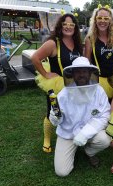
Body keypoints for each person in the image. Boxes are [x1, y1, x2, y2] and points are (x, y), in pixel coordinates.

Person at [49, 57, 111, 177]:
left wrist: (85, 133)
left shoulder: (99, 91)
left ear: (89, 73)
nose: (81, 74)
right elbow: (57, 121)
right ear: (72, 74)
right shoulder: (63, 94)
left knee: (104, 140)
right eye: (78, 71)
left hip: (90, 131)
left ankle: (89, 152)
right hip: (68, 133)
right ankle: (73, 149)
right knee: (62, 172)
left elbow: (104, 116)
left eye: (84, 71)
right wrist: (55, 117)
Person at [31, 13, 82, 153]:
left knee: (71, 111)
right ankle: (47, 139)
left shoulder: (77, 44)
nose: (68, 27)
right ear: (60, 25)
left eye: (71, 25)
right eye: (65, 24)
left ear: (75, 28)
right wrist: (46, 74)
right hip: (56, 84)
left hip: (73, 85)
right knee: (53, 111)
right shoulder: (53, 43)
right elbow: (35, 58)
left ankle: (69, 136)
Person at [84, 4, 113, 98]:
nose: (103, 21)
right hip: (98, 81)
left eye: (106, 18)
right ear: (95, 20)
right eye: (100, 18)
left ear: (110, 20)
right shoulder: (90, 39)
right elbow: (87, 62)